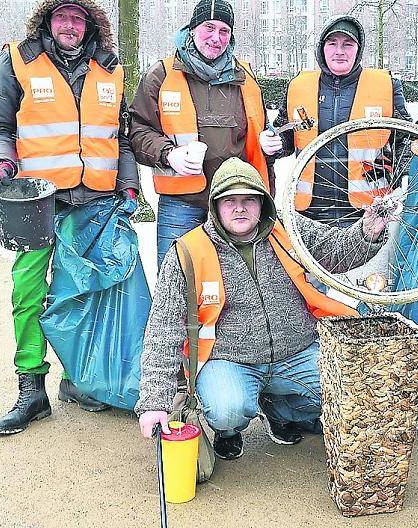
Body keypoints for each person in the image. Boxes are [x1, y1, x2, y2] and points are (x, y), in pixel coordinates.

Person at [135, 158, 393, 459]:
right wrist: (155, 402)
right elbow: (162, 330)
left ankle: (281, 409)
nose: (240, 208)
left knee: (346, 390)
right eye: (229, 201)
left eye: (249, 200)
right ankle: (227, 431)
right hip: (228, 361)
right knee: (226, 409)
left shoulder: (288, 230)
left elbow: (337, 251)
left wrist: (369, 230)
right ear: (215, 206)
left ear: (263, 203)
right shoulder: (187, 252)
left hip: (297, 353)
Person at [0, 0, 139, 434]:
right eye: (62, 16)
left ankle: (78, 378)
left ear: (90, 24)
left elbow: (121, 138)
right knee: (28, 290)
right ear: (48, 19)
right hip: (35, 201)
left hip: (93, 201)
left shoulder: (111, 69)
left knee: (79, 296)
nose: (69, 26)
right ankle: (31, 387)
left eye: (78, 18)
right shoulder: (19, 61)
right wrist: (1, 163)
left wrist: (129, 184)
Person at [129, 0, 269, 268]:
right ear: (192, 29)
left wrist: (271, 142)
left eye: (224, 31)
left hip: (235, 202)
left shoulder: (245, 78)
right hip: (181, 203)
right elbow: (138, 130)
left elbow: (258, 133)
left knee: (235, 288)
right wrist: (168, 154)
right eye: (209, 28)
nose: (216, 38)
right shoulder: (162, 74)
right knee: (176, 281)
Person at [261, 15, 411, 227]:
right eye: (332, 44)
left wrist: (404, 175)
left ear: (358, 50)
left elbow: (405, 138)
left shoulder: (386, 85)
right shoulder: (298, 86)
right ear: (322, 48)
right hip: (309, 211)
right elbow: (285, 134)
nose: (339, 51)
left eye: (347, 44)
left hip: (367, 210)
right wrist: (274, 144)